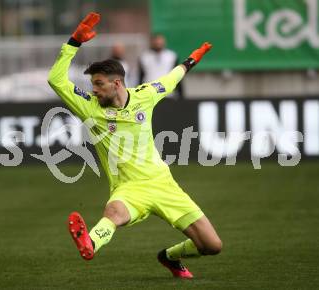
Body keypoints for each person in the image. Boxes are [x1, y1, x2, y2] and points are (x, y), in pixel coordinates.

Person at [48, 12, 221, 279]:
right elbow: (56, 80)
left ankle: (169, 257)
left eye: (98, 84)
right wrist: (73, 42)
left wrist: (192, 58)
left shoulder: (145, 96)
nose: (93, 90)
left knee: (212, 246)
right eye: (93, 84)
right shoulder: (90, 108)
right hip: (129, 188)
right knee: (114, 212)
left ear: (116, 83)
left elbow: (172, 77)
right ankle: (90, 243)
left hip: (163, 184)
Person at [138, 34, 183, 99]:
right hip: (149, 94)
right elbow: (140, 76)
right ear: (152, 42)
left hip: (168, 94)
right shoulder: (144, 57)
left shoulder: (171, 56)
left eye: (160, 41)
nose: (158, 43)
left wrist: (181, 94)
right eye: (156, 41)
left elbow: (177, 75)